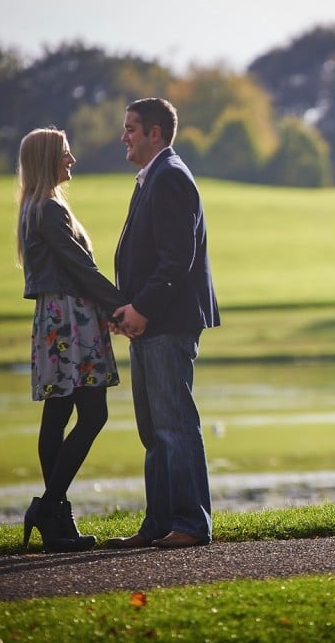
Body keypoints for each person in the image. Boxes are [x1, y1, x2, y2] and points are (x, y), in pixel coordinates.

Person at [104, 98, 221, 550]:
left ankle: (191, 524)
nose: (124, 136)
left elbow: (177, 259)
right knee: (153, 430)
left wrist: (142, 308)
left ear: (156, 132)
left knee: (174, 424)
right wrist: (128, 309)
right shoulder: (153, 177)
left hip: (167, 323)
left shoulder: (169, 176)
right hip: (151, 323)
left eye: (131, 128)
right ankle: (158, 524)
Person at [16, 128, 126, 552]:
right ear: (48, 159)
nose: (72, 160)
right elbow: (81, 267)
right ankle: (50, 507)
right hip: (71, 319)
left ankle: (57, 521)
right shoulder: (48, 210)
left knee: (58, 416)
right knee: (93, 414)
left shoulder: (37, 207)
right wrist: (121, 307)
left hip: (56, 318)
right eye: (65, 153)